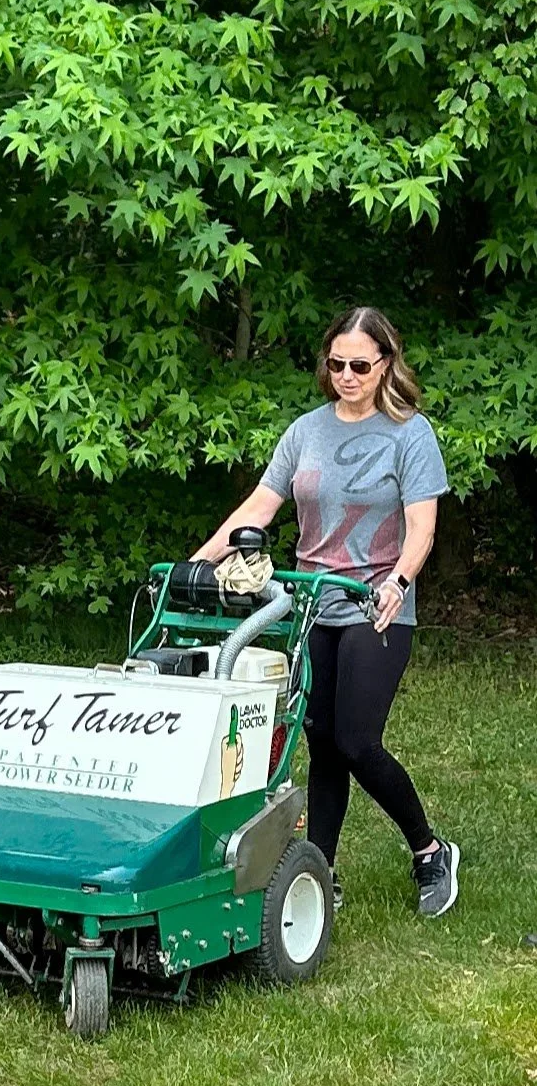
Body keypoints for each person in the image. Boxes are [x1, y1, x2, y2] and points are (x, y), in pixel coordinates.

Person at [191, 306, 458, 918]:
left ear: (385, 364)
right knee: (320, 743)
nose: (347, 375)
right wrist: (196, 564)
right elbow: (260, 506)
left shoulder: (410, 434)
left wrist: (399, 579)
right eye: (336, 364)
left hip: (376, 606)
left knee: (358, 741)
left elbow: (422, 526)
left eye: (360, 365)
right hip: (311, 605)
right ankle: (320, 871)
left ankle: (430, 851)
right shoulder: (307, 430)